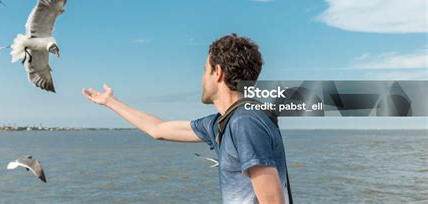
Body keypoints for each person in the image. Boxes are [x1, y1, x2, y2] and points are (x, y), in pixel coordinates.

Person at [82, 34, 290, 204]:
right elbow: (158, 129)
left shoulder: (245, 122)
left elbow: (272, 200)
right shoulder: (221, 124)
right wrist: (110, 102)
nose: (201, 78)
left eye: (204, 70)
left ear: (217, 72)